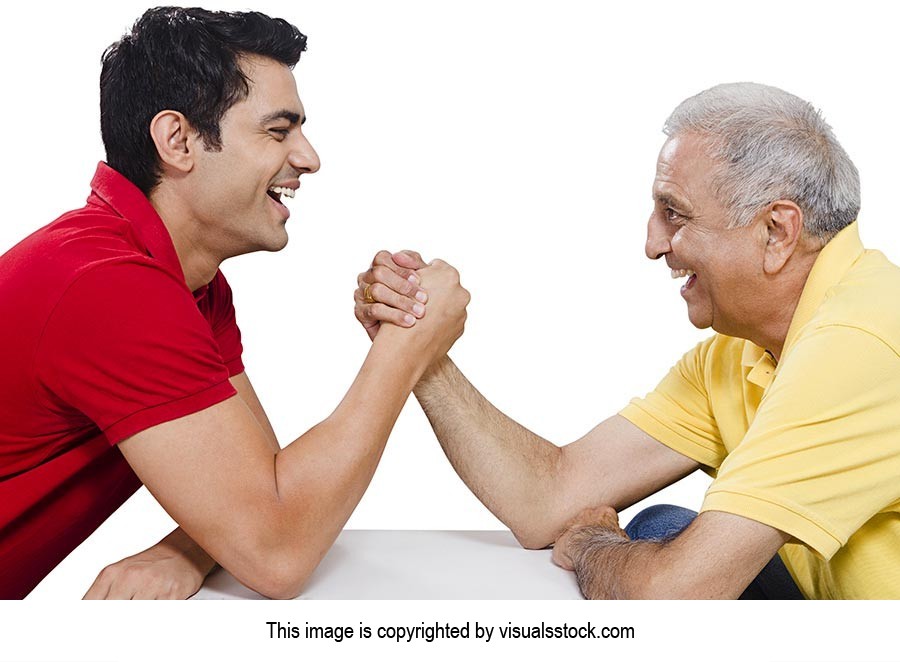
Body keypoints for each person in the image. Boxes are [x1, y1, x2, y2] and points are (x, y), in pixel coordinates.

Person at [355, 82, 900, 599]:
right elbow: (551, 500)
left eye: (674, 213)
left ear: (776, 231)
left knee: (654, 548)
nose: (652, 244)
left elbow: (672, 594)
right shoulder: (734, 356)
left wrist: (593, 545)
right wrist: (419, 351)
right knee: (661, 530)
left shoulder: (860, 339)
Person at [0, 6, 469, 599]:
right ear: (178, 140)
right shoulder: (108, 286)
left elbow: (259, 486)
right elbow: (280, 550)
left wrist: (186, 549)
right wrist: (407, 345)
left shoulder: (184, 281)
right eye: (278, 131)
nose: (308, 157)